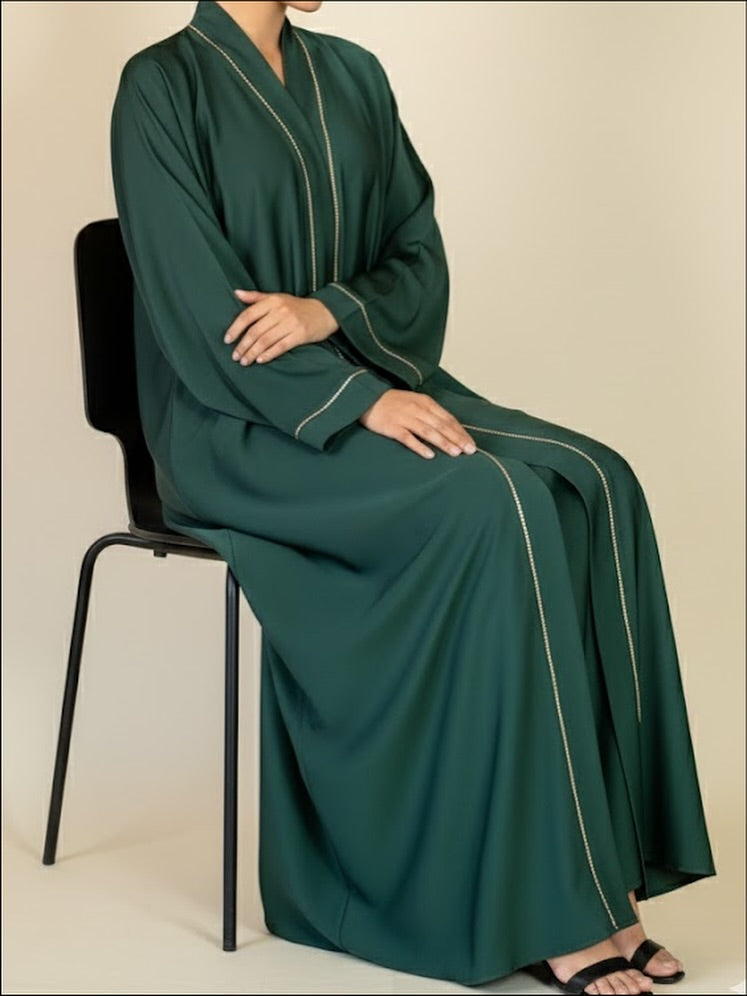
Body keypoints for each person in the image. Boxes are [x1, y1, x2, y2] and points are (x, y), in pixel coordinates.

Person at [109, 2, 717, 992]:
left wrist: (331, 314)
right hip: (236, 423)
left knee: (596, 481)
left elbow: (415, 255)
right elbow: (193, 303)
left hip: (367, 377)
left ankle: (604, 881)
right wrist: (354, 401)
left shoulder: (352, 73)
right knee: (491, 503)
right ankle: (551, 909)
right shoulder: (161, 86)